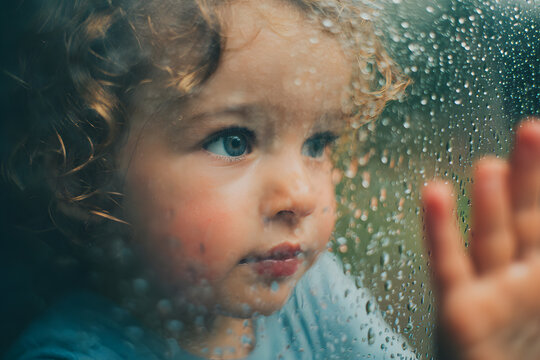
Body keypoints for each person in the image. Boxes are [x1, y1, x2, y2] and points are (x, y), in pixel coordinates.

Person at [2, 0, 539, 359]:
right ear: (87, 172)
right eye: (233, 141)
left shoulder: (316, 288)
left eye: (318, 143)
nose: (301, 196)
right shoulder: (68, 353)